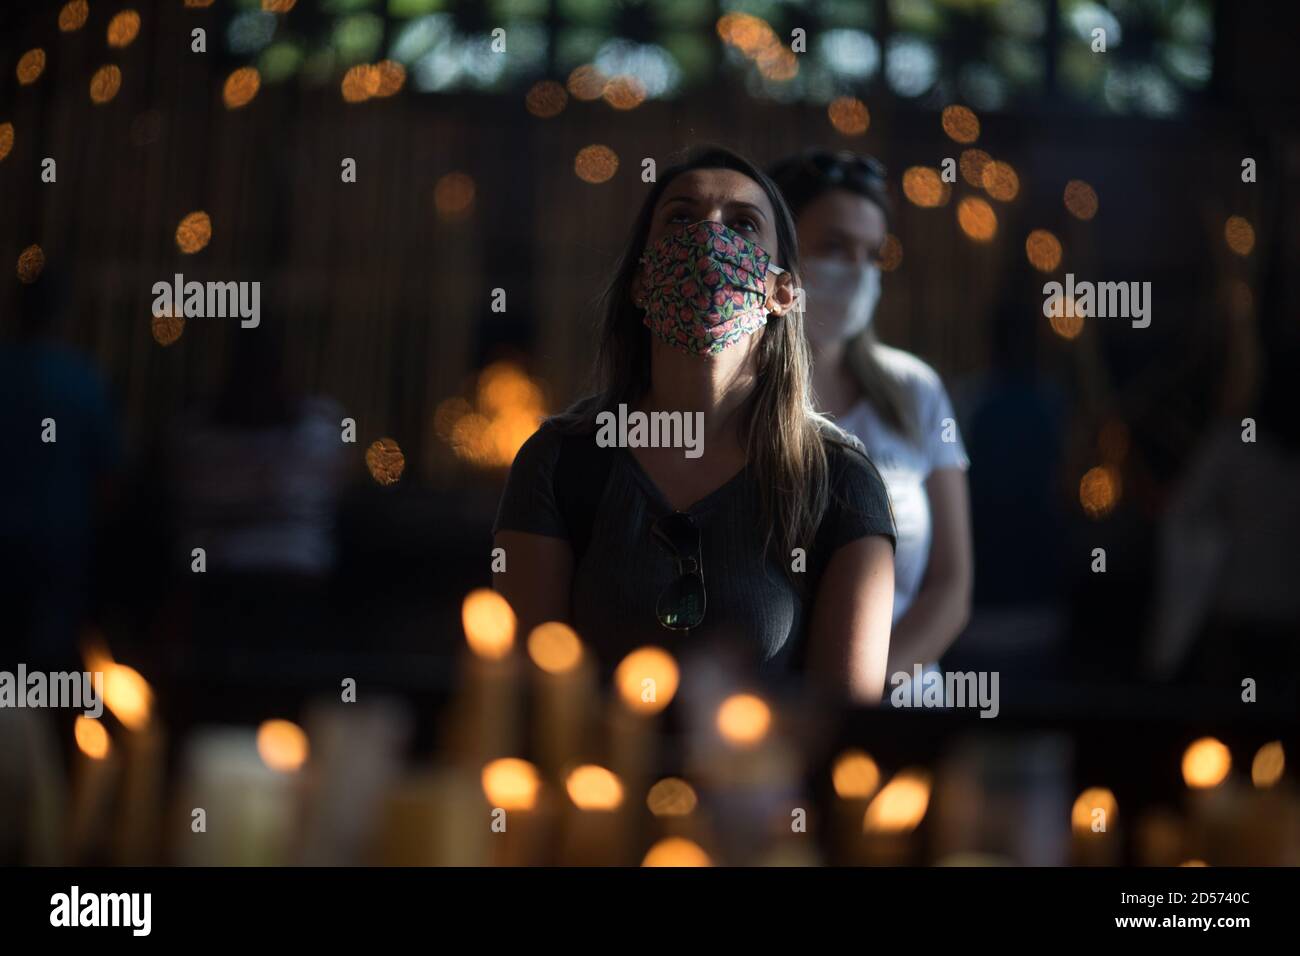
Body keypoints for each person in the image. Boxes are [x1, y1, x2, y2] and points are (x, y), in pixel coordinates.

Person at [493, 147, 897, 701]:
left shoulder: (842, 481)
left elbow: (844, 721)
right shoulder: (560, 460)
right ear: (641, 281)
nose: (709, 237)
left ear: (783, 292)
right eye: (681, 217)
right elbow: (524, 696)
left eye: (743, 224)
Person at [769, 149, 972, 680]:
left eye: (873, 253)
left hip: (901, 703)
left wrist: (861, 696)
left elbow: (951, 587)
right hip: (766, 712)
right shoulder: (734, 401)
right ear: (778, 253)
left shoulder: (914, 390)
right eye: (834, 247)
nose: (858, 271)